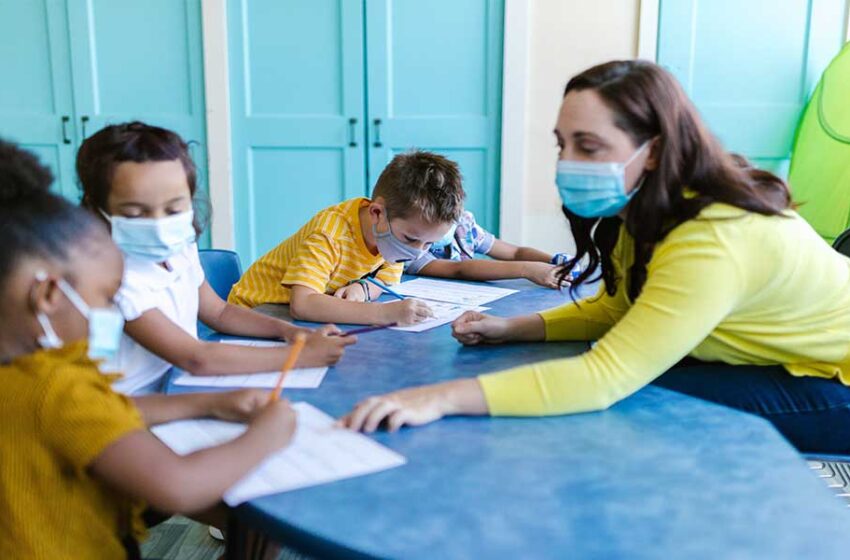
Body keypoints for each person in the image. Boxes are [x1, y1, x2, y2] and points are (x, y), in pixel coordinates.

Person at [340, 60, 850, 455]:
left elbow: (605, 376)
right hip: (779, 360)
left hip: (832, 382)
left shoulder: (713, 238)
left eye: (589, 146)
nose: (567, 164)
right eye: (564, 145)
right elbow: (620, 307)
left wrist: (439, 397)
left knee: (637, 402)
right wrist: (514, 329)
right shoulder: (650, 208)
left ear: (651, 150)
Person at [0, 139, 295, 559]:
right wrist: (269, 434)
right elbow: (177, 485)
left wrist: (206, 405)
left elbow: (103, 411)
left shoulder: (31, 373)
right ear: (48, 293)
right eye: (103, 297)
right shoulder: (56, 384)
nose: (108, 313)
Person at [77, 122, 354, 395]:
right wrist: (302, 357)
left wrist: (290, 333)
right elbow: (196, 358)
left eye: (174, 209)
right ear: (95, 208)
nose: (159, 225)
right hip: (131, 402)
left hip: (176, 381)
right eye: (135, 214)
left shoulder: (178, 248)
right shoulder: (111, 278)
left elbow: (219, 312)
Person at [228, 150, 465, 325]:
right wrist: (386, 314)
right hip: (250, 315)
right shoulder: (329, 234)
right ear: (376, 213)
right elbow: (303, 303)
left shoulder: (390, 235)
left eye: (428, 244)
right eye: (411, 239)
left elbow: (385, 279)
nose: (419, 252)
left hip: (297, 314)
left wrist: (363, 289)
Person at [405, 208, 577, 288]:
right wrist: (527, 269)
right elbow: (457, 269)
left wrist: (553, 261)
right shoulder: (409, 244)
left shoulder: (463, 224)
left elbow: (515, 252)